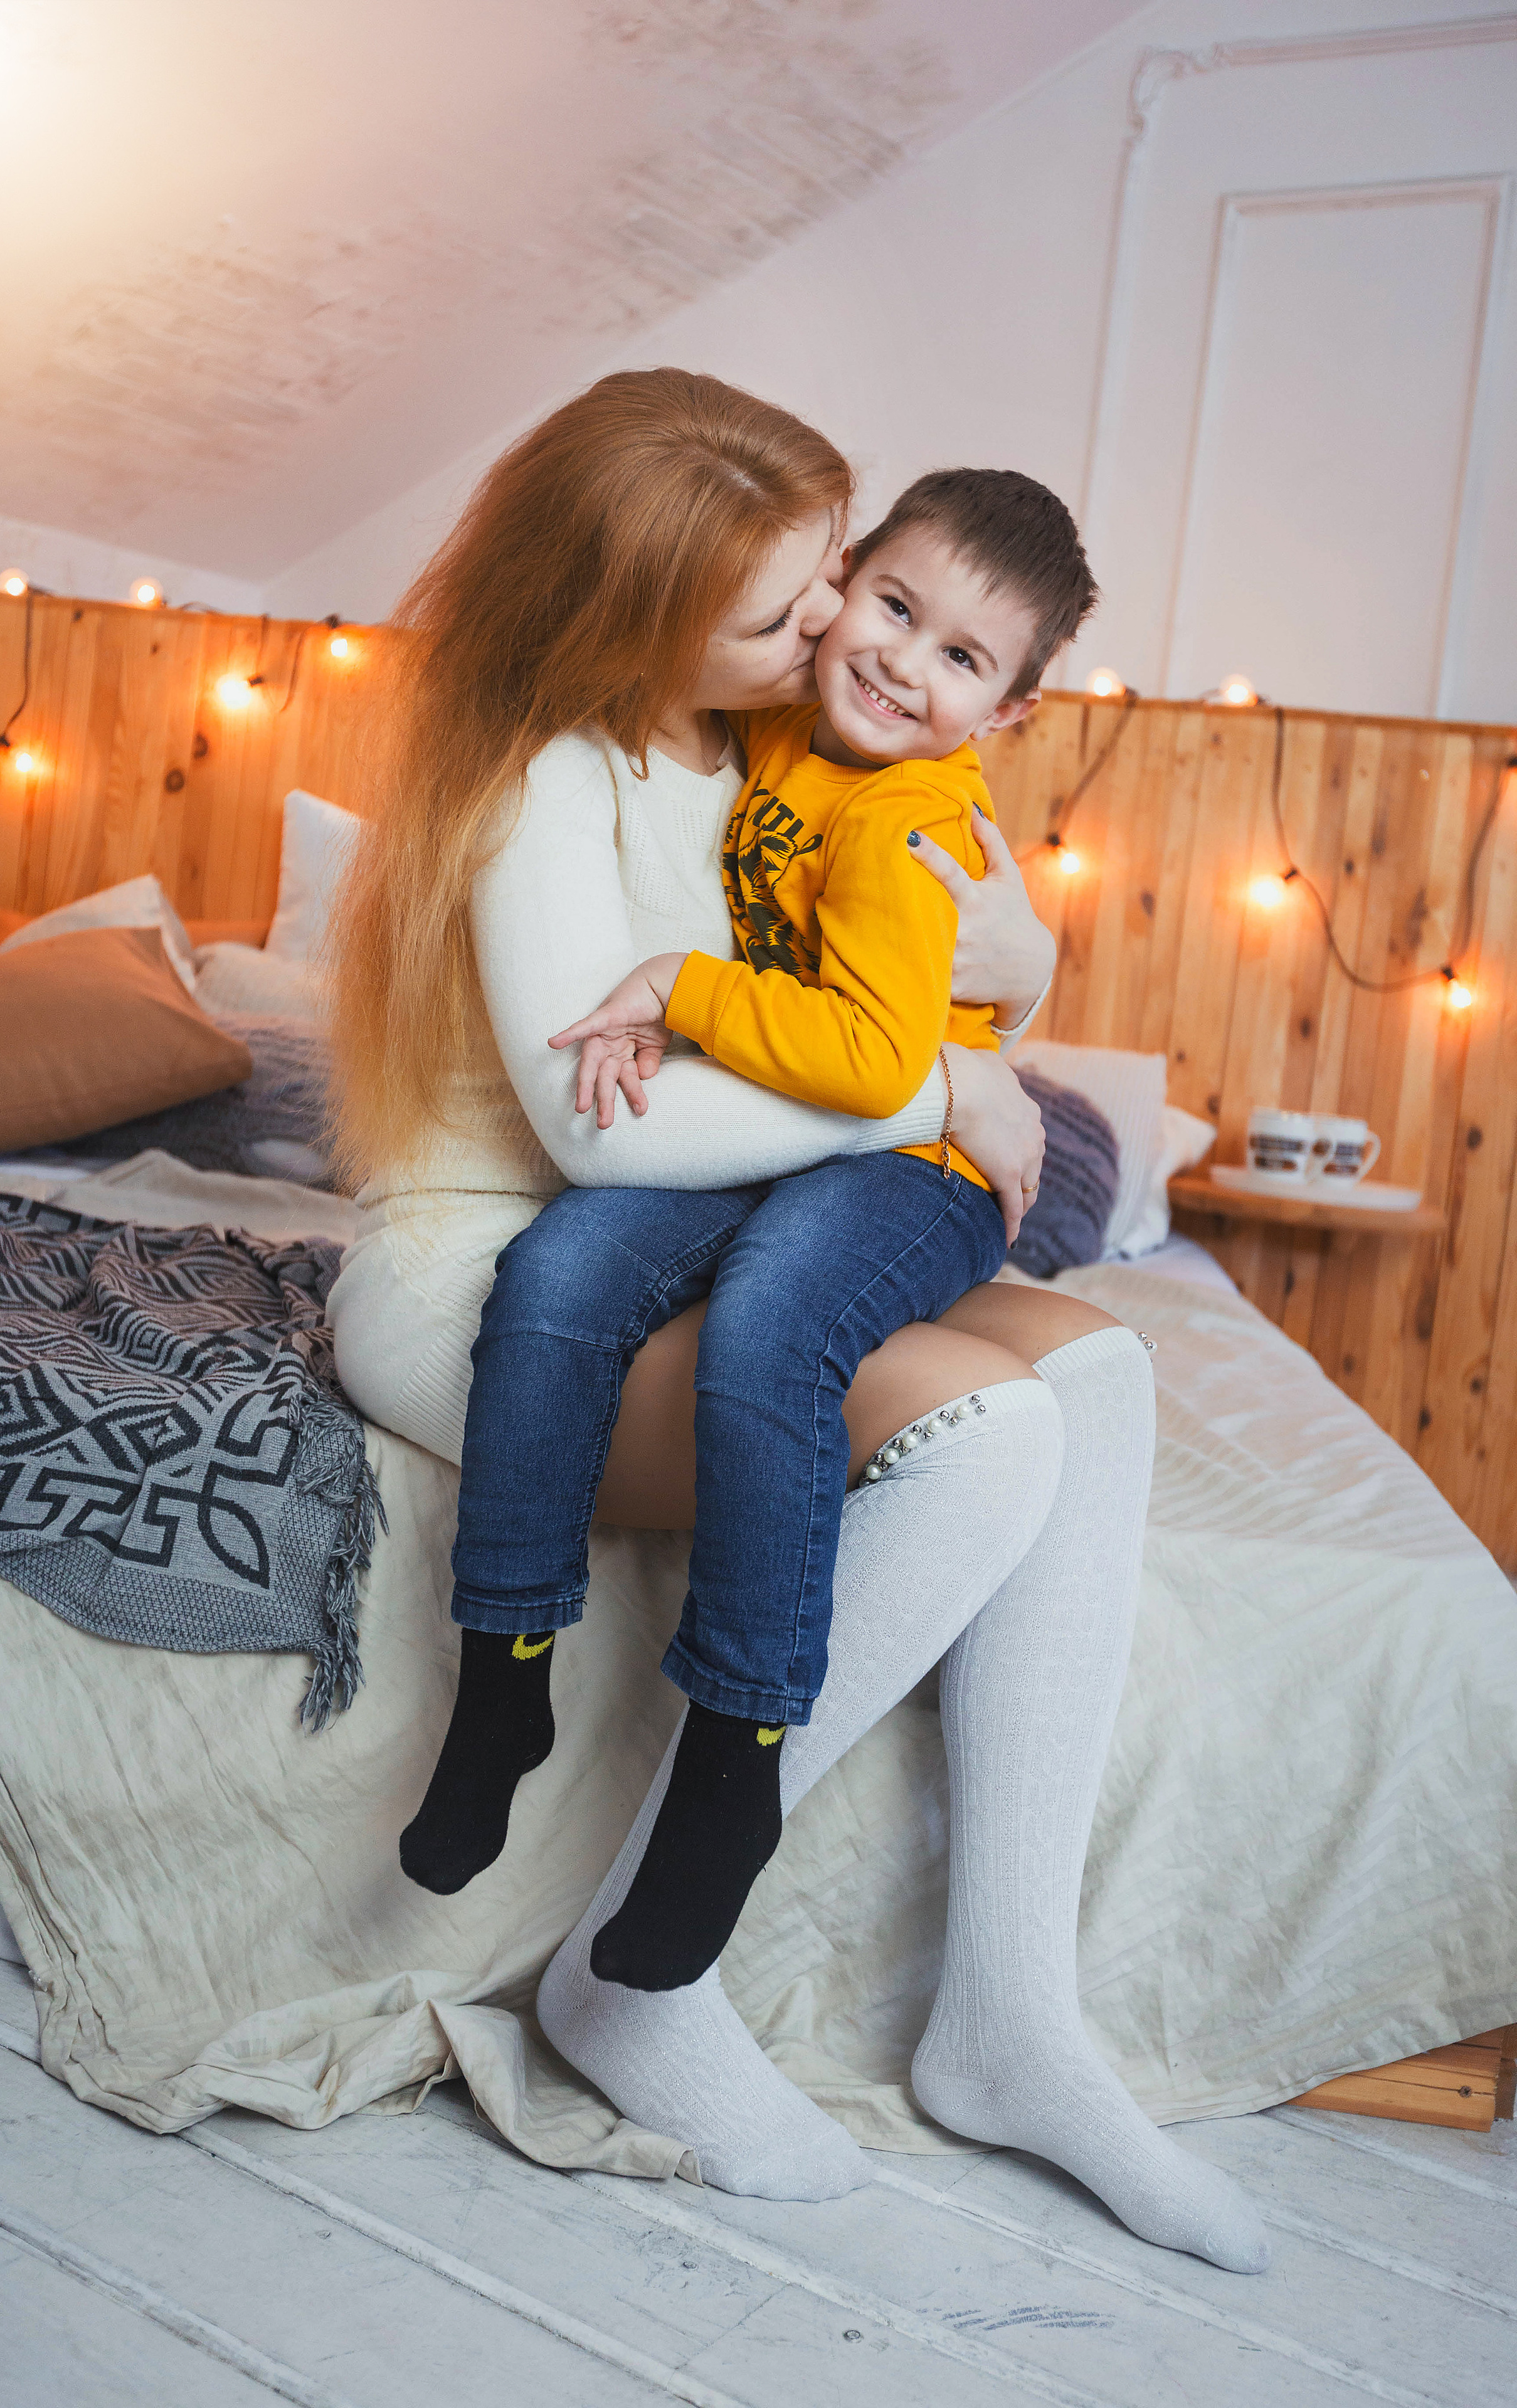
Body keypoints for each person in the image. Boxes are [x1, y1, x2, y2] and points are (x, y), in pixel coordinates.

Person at [327, 367, 1267, 2271]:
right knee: (989, 1430)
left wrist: (1020, 973)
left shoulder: (770, 750)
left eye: (836, 574)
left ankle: (1015, 2009)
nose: (844, 626)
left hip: (715, 1209)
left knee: (1099, 1367)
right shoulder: (548, 785)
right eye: (806, 601)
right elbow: (626, 1142)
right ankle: (644, 1969)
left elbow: (937, 918)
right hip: (515, 1262)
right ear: (642, 618)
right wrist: (938, 1088)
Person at [401, 470, 1097, 2023]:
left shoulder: (914, 812)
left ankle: (736, 1750)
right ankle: (502, 1676)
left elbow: (863, 1063)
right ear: (842, 579)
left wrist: (676, 988)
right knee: (560, 1273)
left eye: (962, 661)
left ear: (1004, 711)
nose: (904, 663)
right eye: (894, 607)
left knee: (771, 1329)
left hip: (910, 1158)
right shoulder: (763, 731)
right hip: (781, 1125)